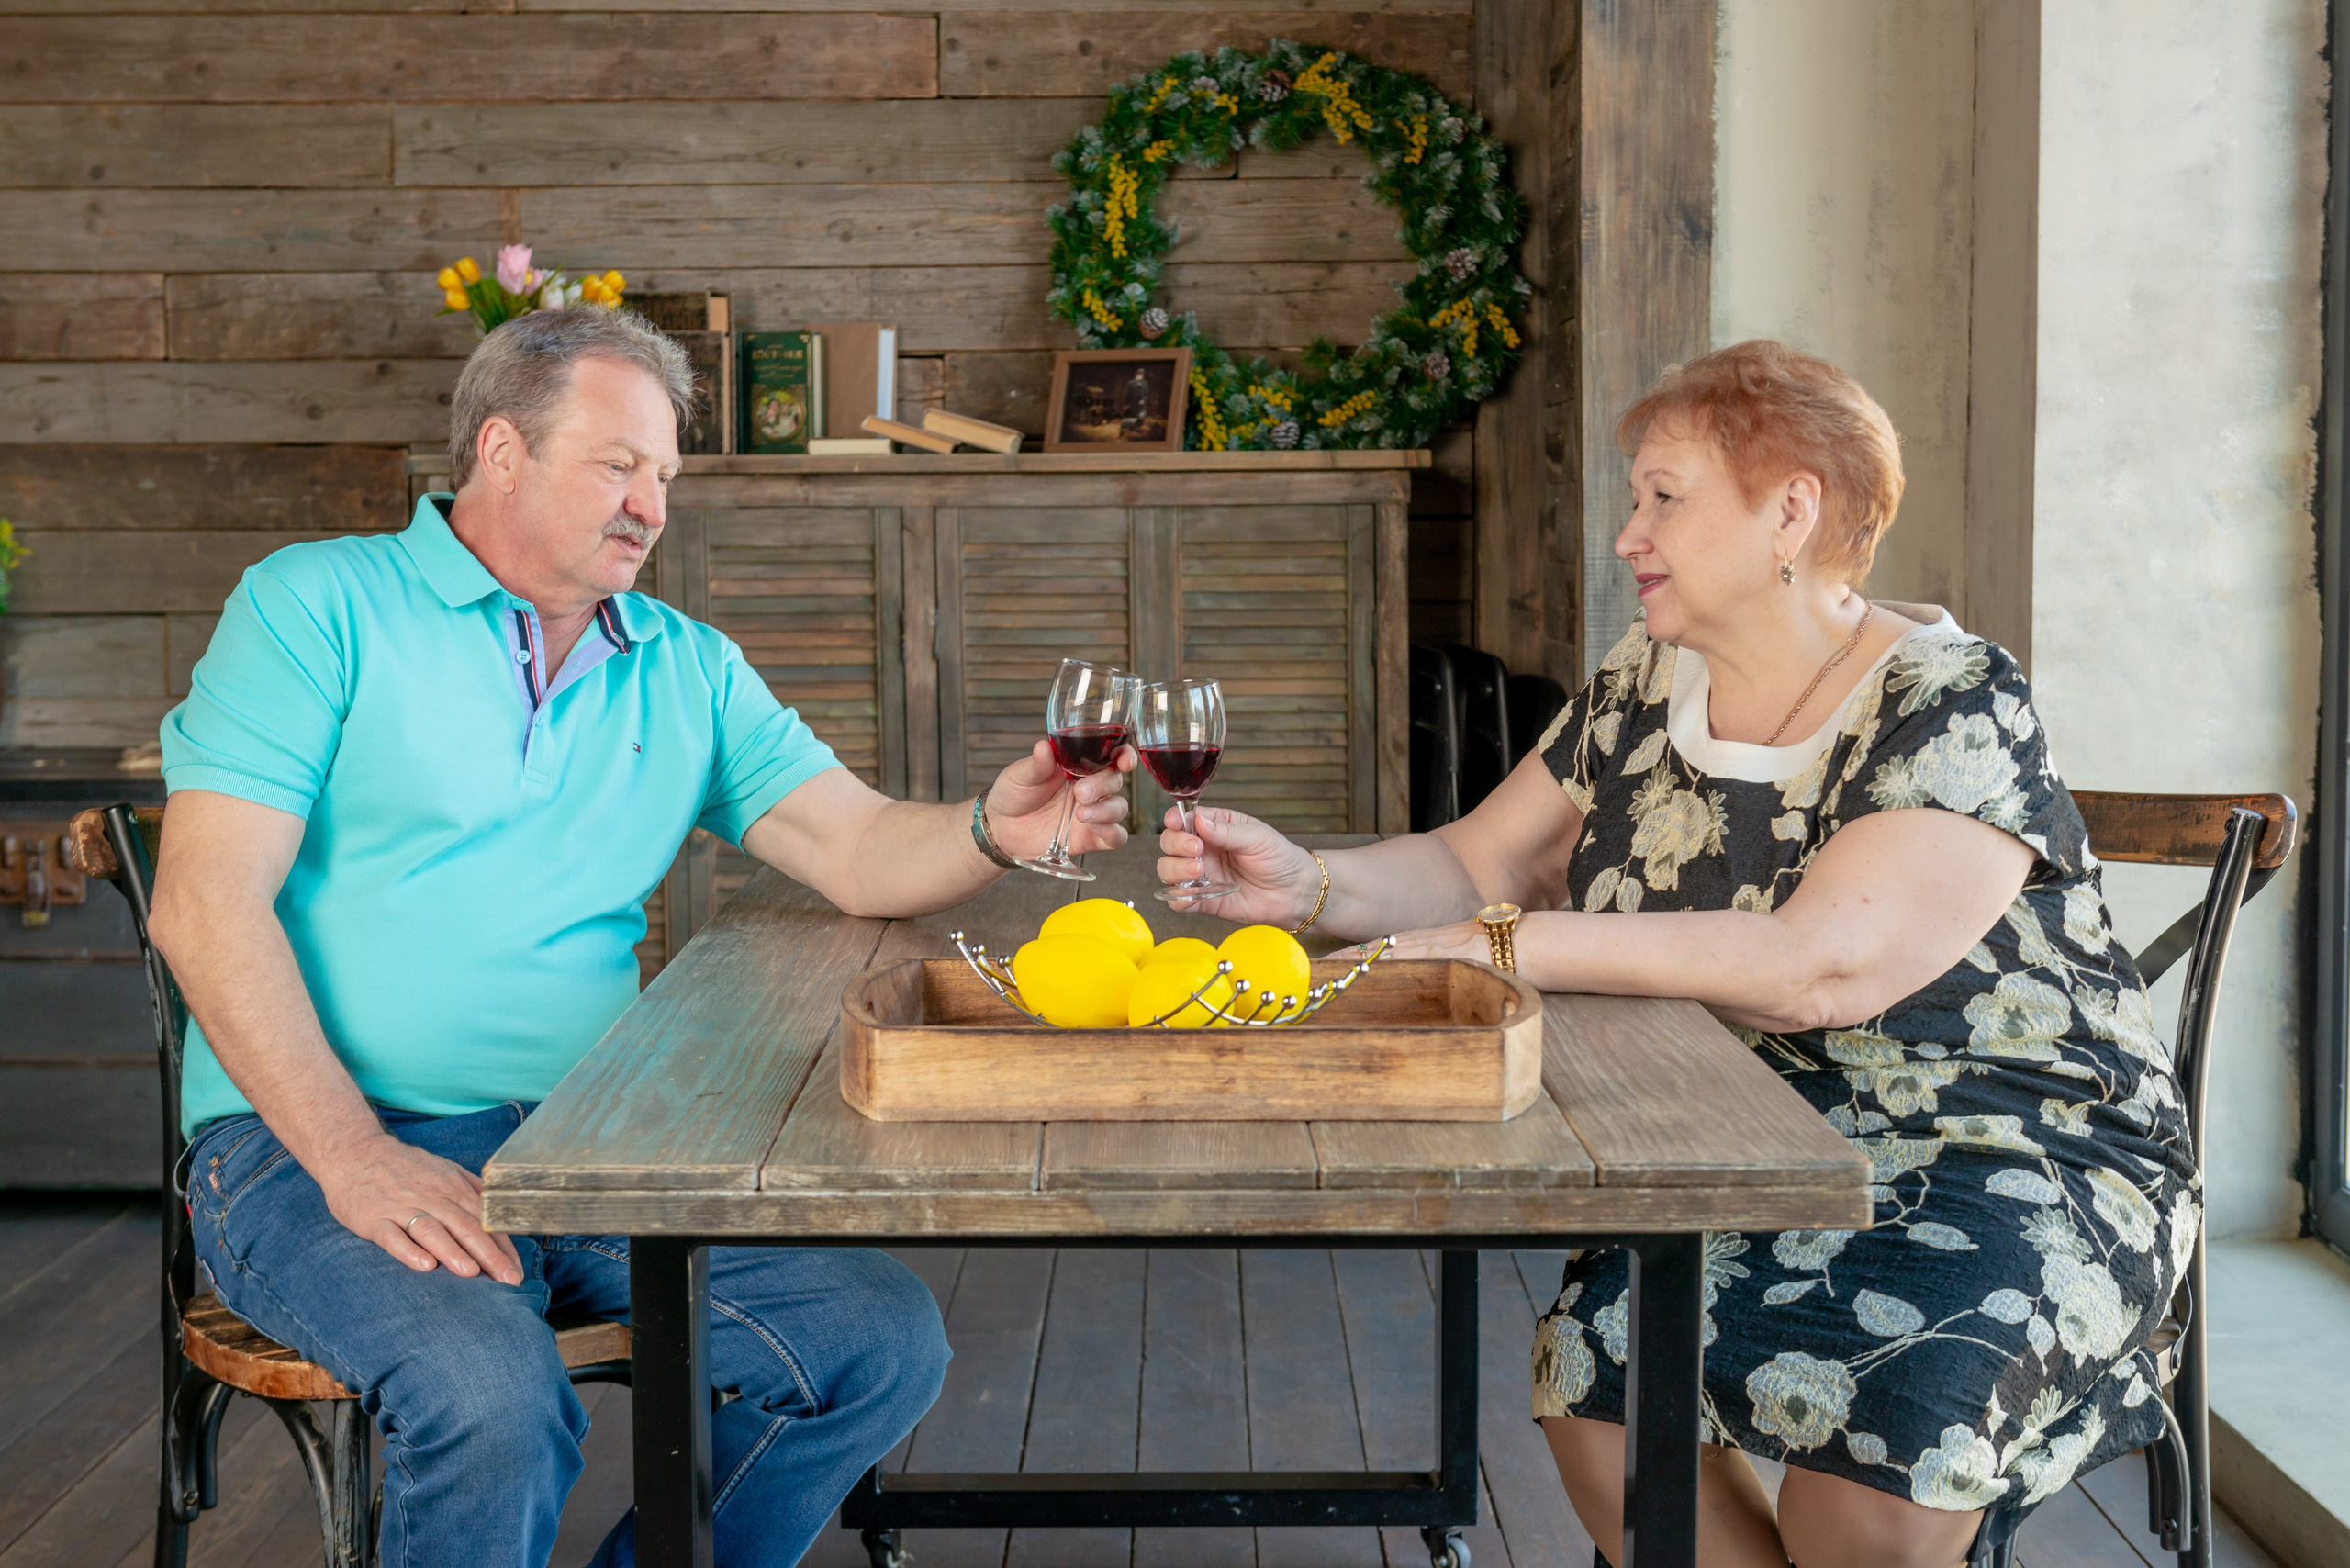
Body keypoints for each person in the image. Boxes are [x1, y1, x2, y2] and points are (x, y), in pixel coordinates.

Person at [1155, 340, 2189, 1568]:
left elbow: (1825, 966)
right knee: (1595, 1383)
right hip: (1731, 1141)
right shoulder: (1647, 677)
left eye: (1665, 496)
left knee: (1873, 1486)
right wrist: (1310, 881)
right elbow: (1481, 865)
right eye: (1635, 498)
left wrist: (1518, 945)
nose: (1629, 533)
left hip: (2010, 1150)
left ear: (1791, 511)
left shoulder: (1950, 696)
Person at [149, 308, 1136, 1568]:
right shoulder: (316, 606)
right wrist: (354, 1156)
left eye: (665, 474)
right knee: (491, 1399)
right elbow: (203, 904)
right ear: (501, 453)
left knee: (875, 1344)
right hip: (313, 1146)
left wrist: (993, 828)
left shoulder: (686, 666)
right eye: (620, 465)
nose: (651, 505)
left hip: (596, 1152)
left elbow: (856, 849)